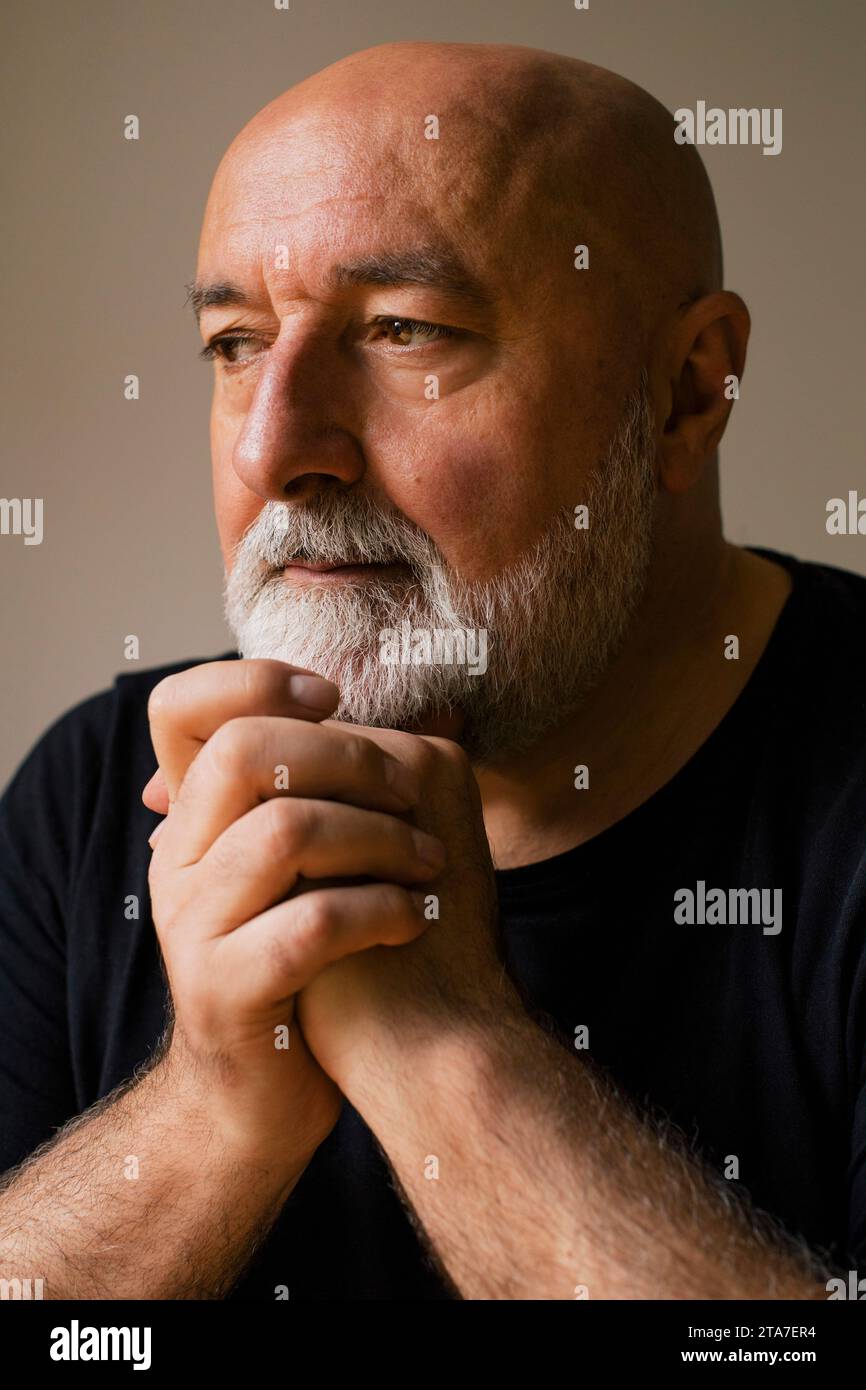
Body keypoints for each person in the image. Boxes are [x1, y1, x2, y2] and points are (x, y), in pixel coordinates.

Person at [1, 40, 863, 1301]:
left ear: (687, 392)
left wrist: (444, 1056)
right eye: (235, 344)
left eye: (406, 331)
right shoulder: (96, 792)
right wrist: (210, 1107)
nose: (272, 446)